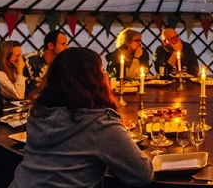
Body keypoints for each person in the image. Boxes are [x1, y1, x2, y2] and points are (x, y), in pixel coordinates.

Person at [9, 47, 153, 187]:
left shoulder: (38, 114)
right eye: (101, 70)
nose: (105, 74)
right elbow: (142, 174)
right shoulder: (100, 124)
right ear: (92, 79)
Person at [22, 30, 68, 95]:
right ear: (51, 46)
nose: (66, 47)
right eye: (63, 44)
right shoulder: (30, 60)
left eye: (66, 44)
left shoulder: (61, 63)